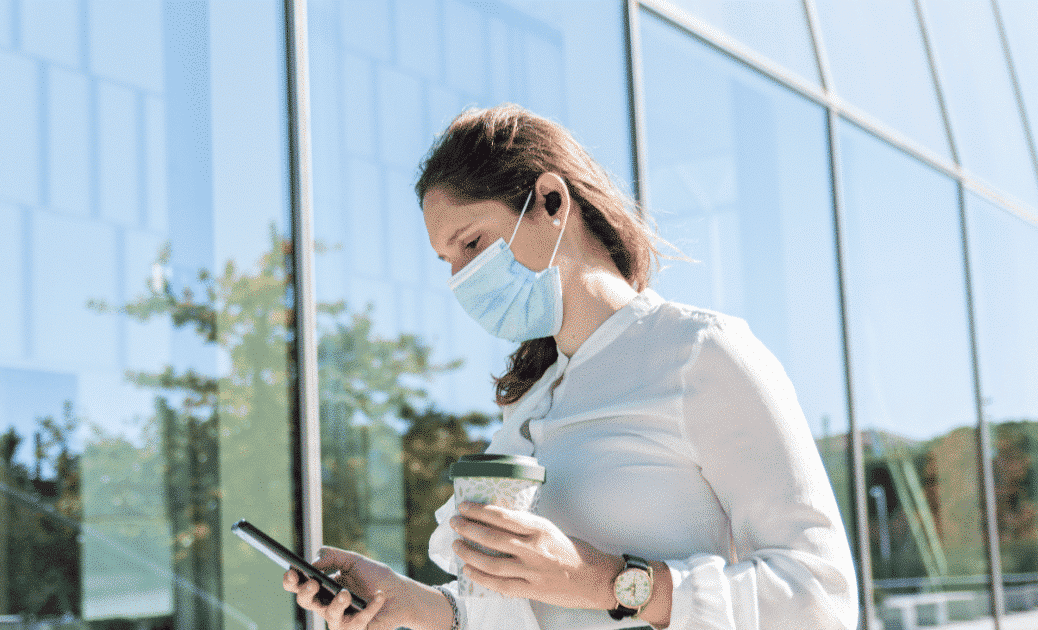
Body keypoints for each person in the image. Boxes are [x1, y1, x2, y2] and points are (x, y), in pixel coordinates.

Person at [283, 104, 858, 630]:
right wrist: (415, 605)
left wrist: (609, 582)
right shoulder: (531, 404)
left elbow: (821, 598)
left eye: (472, 244)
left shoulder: (700, 354)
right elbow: (531, 610)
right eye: (447, 260)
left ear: (552, 203)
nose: (459, 278)